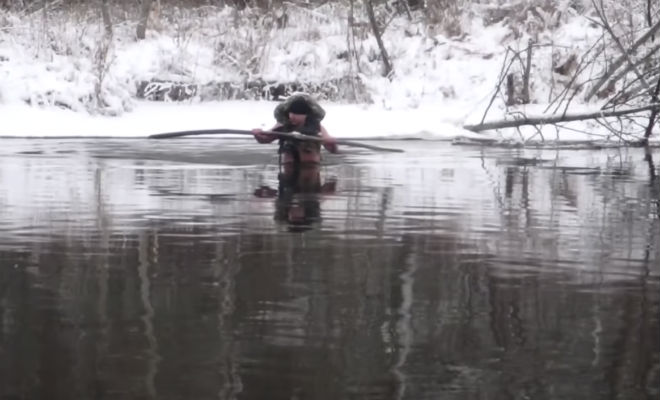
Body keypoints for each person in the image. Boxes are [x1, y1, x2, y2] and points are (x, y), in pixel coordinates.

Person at [252, 93, 338, 164]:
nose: (292, 117)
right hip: (289, 170)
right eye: (290, 113)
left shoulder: (317, 127)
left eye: (296, 114)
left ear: (305, 115)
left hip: (311, 170)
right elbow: (265, 139)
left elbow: (332, 149)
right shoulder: (282, 126)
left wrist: (332, 144)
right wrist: (258, 134)